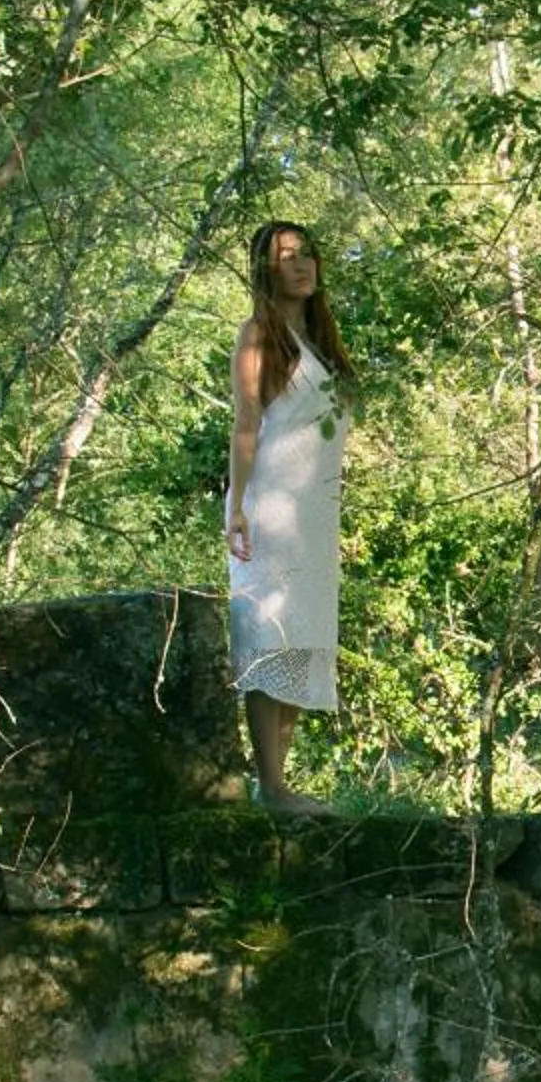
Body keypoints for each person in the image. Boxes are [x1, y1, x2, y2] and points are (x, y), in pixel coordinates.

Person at [225, 219, 354, 808]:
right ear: (266, 270)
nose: (302, 265)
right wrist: (238, 507)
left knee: (304, 638)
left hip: (314, 514)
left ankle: (282, 783)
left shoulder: (321, 342)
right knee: (268, 638)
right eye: (287, 257)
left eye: (308, 255)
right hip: (270, 506)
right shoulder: (260, 335)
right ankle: (271, 785)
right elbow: (247, 423)